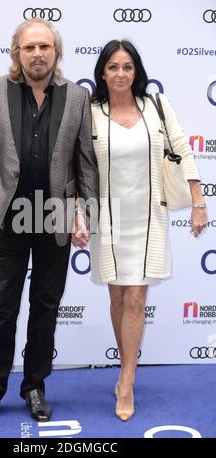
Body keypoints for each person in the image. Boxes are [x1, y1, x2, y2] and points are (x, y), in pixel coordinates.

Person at [0, 18, 98, 426]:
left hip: (55, 215)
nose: (38, 54)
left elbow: (85, 163)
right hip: (10, 217)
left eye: (45, 47)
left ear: (57, 52)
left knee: (45, 306)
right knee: (3, 305)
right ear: (16, 52)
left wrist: (83, 213)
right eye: (29, 47)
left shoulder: (76, 97)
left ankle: (34, 385)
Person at [90, 40, 207, 421]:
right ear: (102, 72)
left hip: (149, 214)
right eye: (113, 67)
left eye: (127, 67)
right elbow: (77, 166)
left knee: (137, 299)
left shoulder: (157, 105)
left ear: (136, 71)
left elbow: (182, 149)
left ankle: (127, 380)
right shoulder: (90, 112)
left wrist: (199, 202)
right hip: (107, 217)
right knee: (118, 299)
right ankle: (126, 365)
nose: (120, 74)